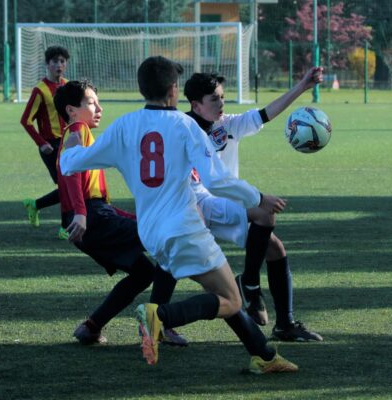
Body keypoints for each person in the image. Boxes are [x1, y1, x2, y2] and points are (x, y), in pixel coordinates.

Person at [61, 56, 297, 374]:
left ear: (142, 88)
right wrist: (260, 198)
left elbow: (72, 164)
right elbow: (217, 180)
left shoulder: (124, 126)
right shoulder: (185, 126)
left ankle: (264, 357)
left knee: (221, 292)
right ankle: (160, 318)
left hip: (151, 231)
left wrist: (72, 147)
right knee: (231, 299)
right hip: (184, 228)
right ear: (174, 90)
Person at [180, 71, 323, 342]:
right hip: (197, 206)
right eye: (214, 99)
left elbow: (265, 113)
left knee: (275, 248)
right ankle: (248, 284)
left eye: (222, 97)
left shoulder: (227, 124)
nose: (221, 104)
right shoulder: (184, 129)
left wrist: (303, 87)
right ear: (196, 105)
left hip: (223, 205)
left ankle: (284, 323)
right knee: (264, 215)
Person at [54, 79, 186, 347]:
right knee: (171, 238)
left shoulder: (74, 133)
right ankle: (157, 324)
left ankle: (91, 327)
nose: (99, 108)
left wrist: (70, 212)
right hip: (93, 217)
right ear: (71, 110)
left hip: (90, 218)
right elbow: (70, 175)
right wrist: (80, 213)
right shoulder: (78, 130)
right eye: (91, 102)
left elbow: (66, 180)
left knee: (143, 273)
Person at [20, 45, 70, 233]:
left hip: (68, 144)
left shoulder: (67, 85)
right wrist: (42, 143)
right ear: (47, 64)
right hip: (51, 146)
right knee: (67, 188)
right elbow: (26, 121)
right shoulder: (40, 90)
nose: (59, 65)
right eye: (55, 61)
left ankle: (35, 205)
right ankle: (65, 228)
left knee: (69, 187)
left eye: (62, 61)